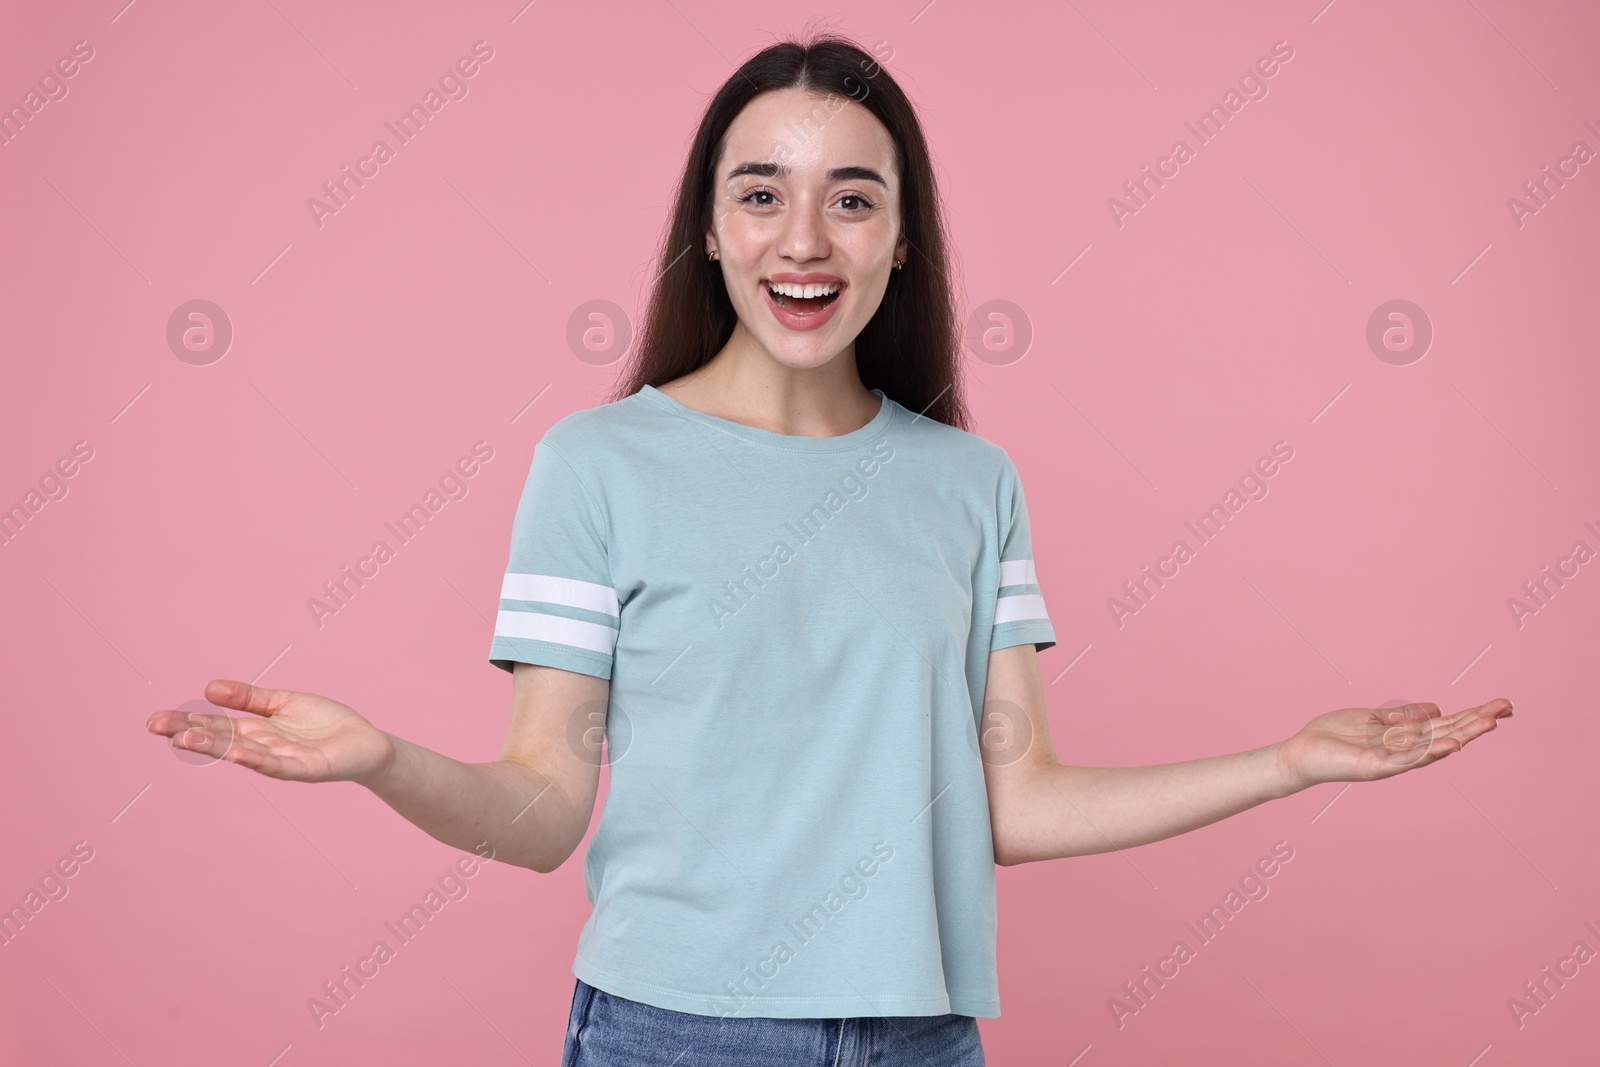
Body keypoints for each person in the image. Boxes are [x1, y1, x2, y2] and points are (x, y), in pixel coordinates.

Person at [144, 31, 1516, 1067]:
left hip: (922, 1036)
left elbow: (1015, 804)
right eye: (762, 195)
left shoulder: (972, 487)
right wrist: (383, 761)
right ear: (710, 227)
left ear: (905, 236)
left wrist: (1290, 763)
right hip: (673, 1035)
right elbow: (546, 809)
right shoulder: (597, 464)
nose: (804, 240)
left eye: (852, 199)